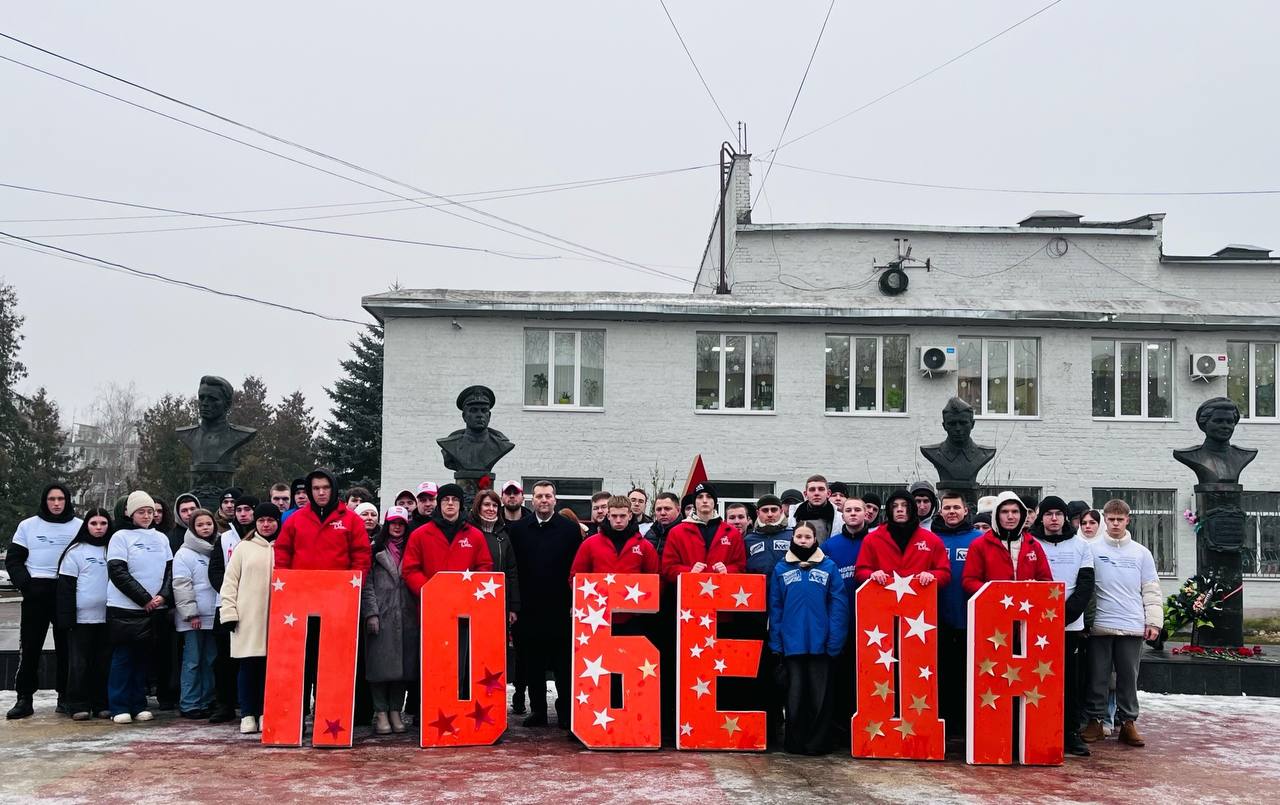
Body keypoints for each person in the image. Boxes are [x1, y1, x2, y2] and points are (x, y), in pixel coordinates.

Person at [274, 469, 372, 722]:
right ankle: (298, 713)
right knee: (303, 659)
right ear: (309, 491)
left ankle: (331, 712)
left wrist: (352, 585)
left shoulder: (351, 520)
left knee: (334, 659)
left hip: (339, 602)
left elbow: (361, 556)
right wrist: (285, 582)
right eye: (315, 488)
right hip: (302, 602)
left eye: (325, 488)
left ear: (333, 489)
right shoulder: (295, 520)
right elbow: (283, 553)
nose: (320, 493)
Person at [1081, 499, 1162, 748]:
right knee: (1098, 675)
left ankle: (1128, 723)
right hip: (1100, 625)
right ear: (1104, 519)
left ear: (1128, 520)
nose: (1115, 523)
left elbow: (1151, 589)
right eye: (1111, 519)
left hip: (1132, 624)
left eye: (1120, 519)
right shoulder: (1091, 549)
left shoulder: (1141, 552)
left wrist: (1154, 622)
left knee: (1128, 676)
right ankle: (1095, 721)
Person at [768, 522, 849, 756]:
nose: (803, 540)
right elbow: (776, 606)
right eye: (799, 536)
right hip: (792, 644)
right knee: (794, 696)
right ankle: (794, 743)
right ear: (793, 538)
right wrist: (776, 642)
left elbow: (838, 606)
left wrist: (835, 640)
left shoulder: (829, 567)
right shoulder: (781, 568)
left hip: (821, 644)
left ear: (816, 540)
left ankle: (818, 744)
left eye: (808, 537)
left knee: (820, 696)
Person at [508, 481, 581, 729]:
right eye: (539, 496)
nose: (544, 500)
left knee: (563, 665)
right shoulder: (517, 530)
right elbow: (513, 570)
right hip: (528, 609)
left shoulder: (570, 530)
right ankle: (538, 710)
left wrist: (574, 602)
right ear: (532, 500)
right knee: (532, 664)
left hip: (561, 609)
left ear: (555, 499)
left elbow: (577, 570)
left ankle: (564, 712)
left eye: (548, 496)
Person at [5, 483, 81, 719]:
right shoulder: (28, 526)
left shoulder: (79, 526)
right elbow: (14, 560)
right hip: (36, 591)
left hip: (65, 591)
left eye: (60, 499)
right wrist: (26, 584)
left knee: (66, 648)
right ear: (44, 501)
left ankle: (65, 697)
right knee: (30, 647)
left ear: (67, 501)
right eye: (52, 499)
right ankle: (24, 698)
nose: (56, 503)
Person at [1031, 496, 1096, 757]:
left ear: (1066, 517)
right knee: (1036, 679)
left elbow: (1085, 586)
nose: (1054, 519)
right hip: (1035, 627)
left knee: (1070, 682)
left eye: (1058, 514)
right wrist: (1041, 618)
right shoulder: (1030, 543)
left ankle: (1070, 733)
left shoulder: (1081, 545)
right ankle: (1036, 729)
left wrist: (1062, 616)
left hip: (1069, 626)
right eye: (1048, 514)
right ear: (1041, 517)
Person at [105, 492, 173, 724]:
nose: (146, 516)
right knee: (123, 657)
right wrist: (144, 598)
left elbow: (169, 572)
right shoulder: (120, 537)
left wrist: (163, 596)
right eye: (141, 512)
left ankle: (138, 702)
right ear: (129, 513)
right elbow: (118, 572)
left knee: (143, 658)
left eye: (150, 512)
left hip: (153, 608)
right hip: (125, 607)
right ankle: (119, 705)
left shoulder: (161, 538)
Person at [219, 503, 281, 734]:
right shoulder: (243, 548)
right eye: (261, 520)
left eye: (271, 520)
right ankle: (247, 713)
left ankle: (267, 712)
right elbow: (230, 583)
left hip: (279, 620)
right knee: (248, 668)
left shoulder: (285, 547)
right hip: (248, 619)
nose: (266, 525)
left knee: (271, 670)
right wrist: (229, 613)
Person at [929, 491, 982, 739]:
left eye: (956, 508)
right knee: (939, 674)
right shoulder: (930, 539)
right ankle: (942, 723)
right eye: (947, 508)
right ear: (940, 512)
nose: (952, 512)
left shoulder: (979, 539)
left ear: (965, 511)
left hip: (969, 618)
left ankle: (964, 725)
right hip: (934, 620)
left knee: (966, 674)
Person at [743, 494, 794, 748]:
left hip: (786, 613)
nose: (770, 514)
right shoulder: (748, 540)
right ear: (758, 514)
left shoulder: (793, 535)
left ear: (781, 511)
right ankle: (766, 726)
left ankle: (786, 725)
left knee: (784, 670)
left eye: (774, 509)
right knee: (759, 670)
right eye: (765, 510)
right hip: (755, 613)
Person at [362, 506, 418, 735]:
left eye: (401, 523)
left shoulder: (414, 550)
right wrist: (371, 613)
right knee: (378, 667)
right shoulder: (373, 550)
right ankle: (381, 712)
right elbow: (366, 585)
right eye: (393, 522)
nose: (397, 527)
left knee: (403, 668)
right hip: (381, 616)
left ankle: (396, 710)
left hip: (407, 616)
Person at [56, 507, 113, 720]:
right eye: (94, 523)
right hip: (81, 620)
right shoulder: (76, 551)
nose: (99, 528)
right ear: (86, 525)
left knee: (103, 662)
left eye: (103, 523)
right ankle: (78, 703)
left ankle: (101, 703)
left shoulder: (113, 549)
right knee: (79, 664)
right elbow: (66, 588)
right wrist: (67, 618)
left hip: (107, 617)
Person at [822, 495, 871, 741]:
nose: (853, 514)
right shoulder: (830, 546)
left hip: (872, 623)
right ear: (843, 515)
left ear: (866, 514)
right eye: (848, 510)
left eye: (857, 510)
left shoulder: (875, 542)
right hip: (841, 620)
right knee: (840, 675)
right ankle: (839, 726)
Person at [470, 491, 522, 713]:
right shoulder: (469, 533)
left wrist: (513, 606)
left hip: (498, 604)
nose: (490, 509)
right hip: (473, 604)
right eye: (486, 505)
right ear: (478, 507)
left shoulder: (503, 536)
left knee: (495, 656)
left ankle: (493, 705)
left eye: (494, 505)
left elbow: (512, 572)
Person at [205, 493, 254, 724]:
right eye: (239, 509)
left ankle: (251, 706)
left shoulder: (266, 536)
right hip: (226, 606)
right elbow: (215, 570)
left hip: (256, 608)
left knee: (253, 659)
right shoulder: (224, 539)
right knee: (225, 659)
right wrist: (230, 595)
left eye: (247, 509)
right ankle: (224, 704)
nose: (243, 513)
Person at [401, 484, 493, 594]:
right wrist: (428, 589)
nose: (450, 503)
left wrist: (471, 589)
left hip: (466, 600)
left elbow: (485, 566)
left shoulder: (476, 535)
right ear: (439, 503)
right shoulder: (419, 535)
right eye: (445, 499)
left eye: (455, 499)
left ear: (461, 504)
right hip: (432, 601)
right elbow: (410, 569)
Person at [854, 490, 950, 590]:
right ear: (889, 510)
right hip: (882, 601)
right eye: (894, 506)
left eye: (905, 505)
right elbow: (860, 571)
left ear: (912, 508)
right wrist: (871, 575)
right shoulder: (871, 539)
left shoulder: (932, 540)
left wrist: (932, 576)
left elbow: (944, 573)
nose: (899, 509)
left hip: (920, 602)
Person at [961, 491, 1053, 596]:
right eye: (1004, 512)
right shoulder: (979, 545)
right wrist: (996, 591)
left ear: (1022, 514)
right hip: (991, 607)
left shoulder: (1033, 545)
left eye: (1015, 511)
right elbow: (969, 581)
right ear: (996, 514)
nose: (1010, 516)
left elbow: (1046, 581)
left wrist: (1033, 588)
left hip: (1026, 607)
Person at [172, 508, 218, 719]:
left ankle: (207, 700)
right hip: (194, 617)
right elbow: (181, 584)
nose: (205, 528)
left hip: (214, 614)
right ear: (192, 528)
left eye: (208, 524)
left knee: (210, 660)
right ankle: (190, 703)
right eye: (200, 525)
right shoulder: (184, 553)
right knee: (193, 660)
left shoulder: (217, 548)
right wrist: (191, 614)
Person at [661, 483, 746, 585]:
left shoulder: (732, 533)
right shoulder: (677, 532)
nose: (704, 500)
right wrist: (689, 571)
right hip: (689, 593)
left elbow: (741, 566)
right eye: (700, 497)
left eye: (709, 497)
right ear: (695, 502)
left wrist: (727, 570)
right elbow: (668, 568)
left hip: (722, 593)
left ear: (714, 501)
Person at [570, 495, 659, 577]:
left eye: (622, 516)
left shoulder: (645, 547)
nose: (618, 520)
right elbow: (575, 577)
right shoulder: (589, 544)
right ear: (608, 516)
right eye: (614, 516)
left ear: (630, 516)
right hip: (600, 593)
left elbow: (656, 580)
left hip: (632, 593)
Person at [791, 475, 836, 543]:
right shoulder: (794, 516)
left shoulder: (839, 518)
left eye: (821, 489)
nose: (816, 493)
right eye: (812, 490)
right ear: (805, 494)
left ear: (828, 493)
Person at [643, 492, 682, 557]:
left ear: (678, 510)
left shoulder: (686, 533)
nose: (662, 513)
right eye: (658, 509)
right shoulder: (650, 534)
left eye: (667, 509)